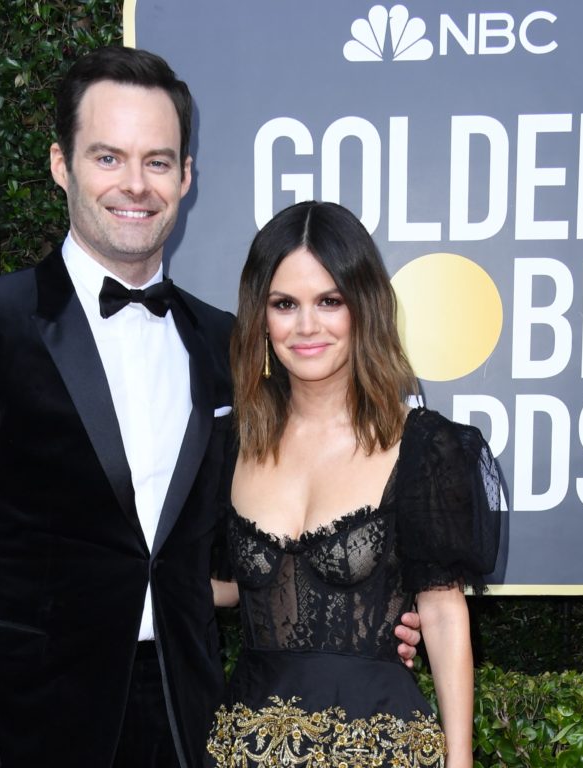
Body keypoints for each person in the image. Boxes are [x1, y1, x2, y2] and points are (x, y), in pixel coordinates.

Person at [0, 47, 422, 768]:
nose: (136, 184)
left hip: (188, 722)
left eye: (157, 161)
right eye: (108, 157)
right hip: (33, 728)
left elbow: (273, 521)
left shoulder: (227, 343)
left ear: (185, 176)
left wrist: (374, 608)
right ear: (61, 165)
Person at [207, 201, 502, 768]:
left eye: (330, 301)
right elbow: (232, 586)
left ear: (363, 307)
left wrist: (460, 760)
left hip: (380, 748)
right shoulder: (233, 442)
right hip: (246, 748)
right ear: (260, 316)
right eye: (285, 304)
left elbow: (442, 613)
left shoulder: (424, 445)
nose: (306, 326)